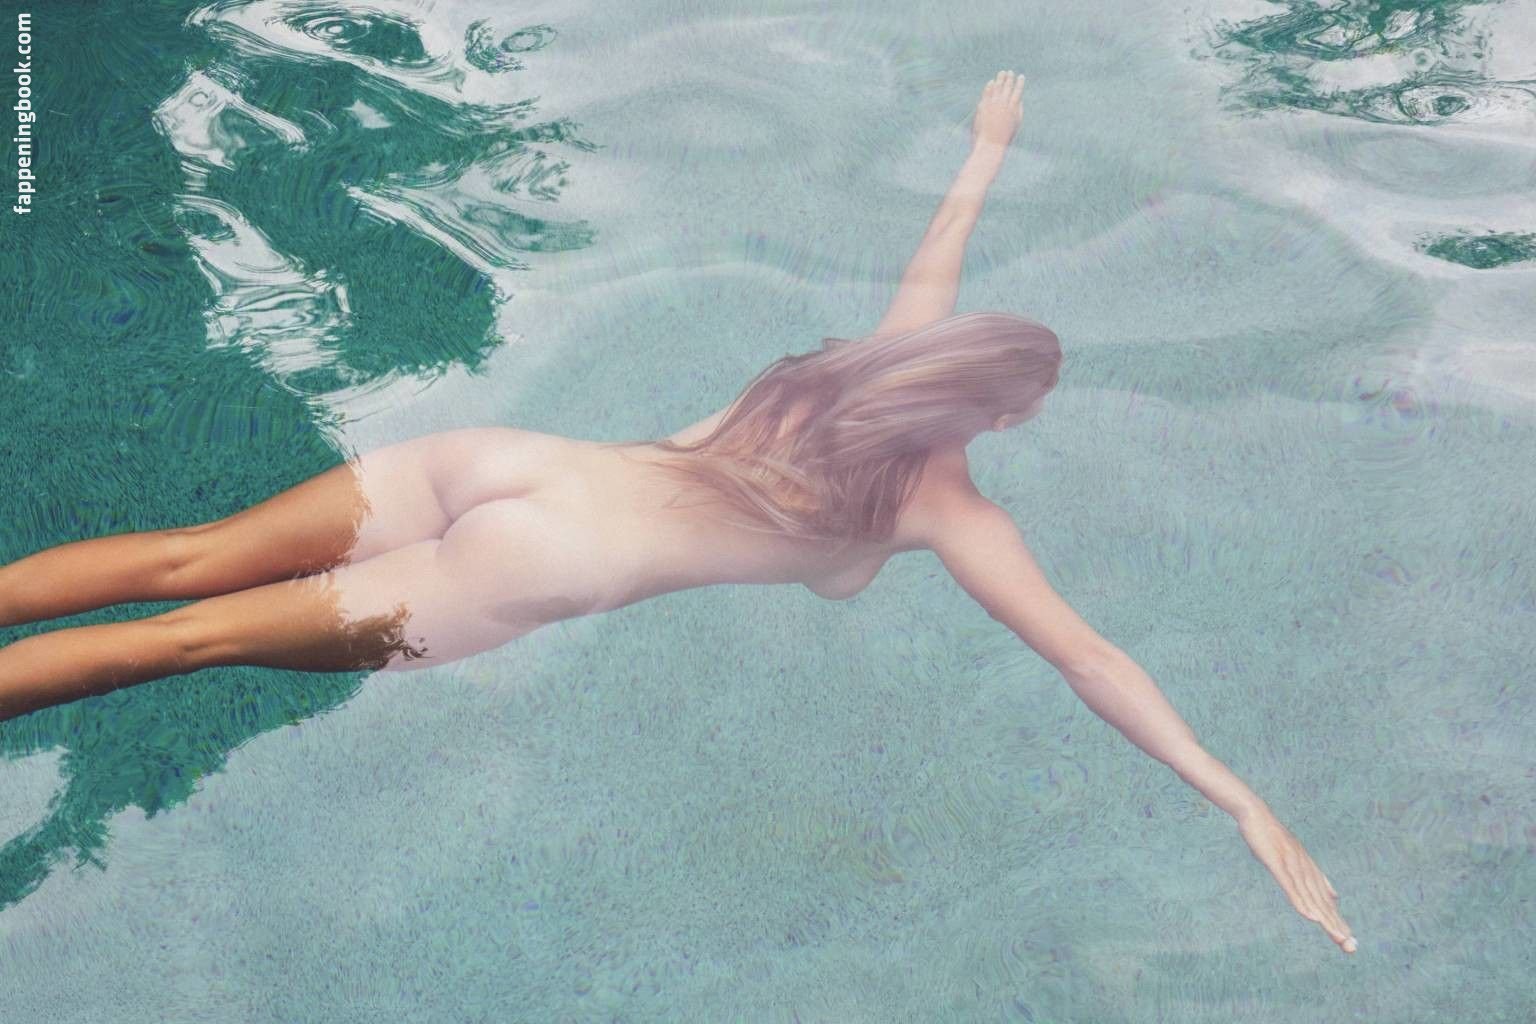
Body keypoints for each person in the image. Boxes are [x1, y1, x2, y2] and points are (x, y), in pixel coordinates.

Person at [0, 71, 1355, 954]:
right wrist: (1237, 797)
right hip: (547, 561)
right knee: (184, 645)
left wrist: (986, 148)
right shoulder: (951, 513)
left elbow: (937, 255)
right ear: (993, 419)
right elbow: (1090, 659)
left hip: (512, 461)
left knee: (183, 559)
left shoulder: (864, 365)